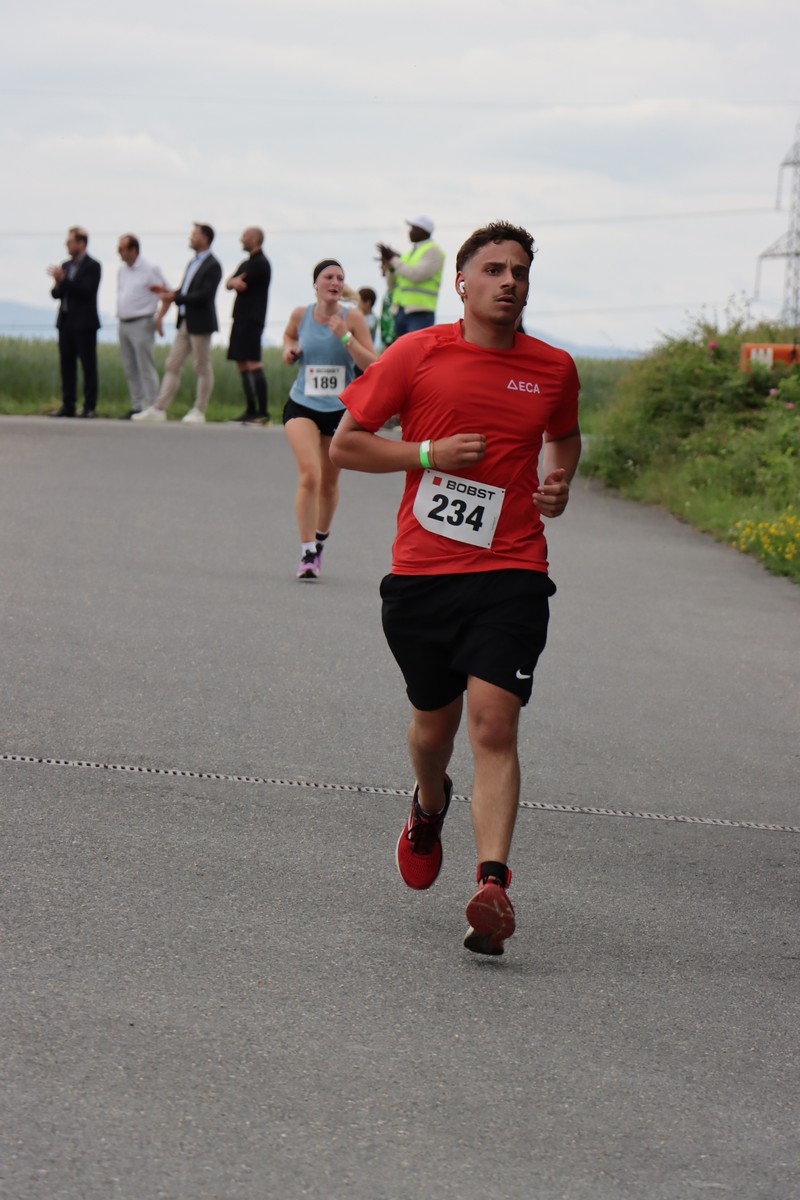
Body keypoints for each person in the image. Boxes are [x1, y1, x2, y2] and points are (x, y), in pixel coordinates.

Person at [330, 221, 581, 956]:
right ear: (463, 282)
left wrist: (559, 479)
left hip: (513, 572)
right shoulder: (417, 353)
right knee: (433, 731)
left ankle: (492, 887)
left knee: (494, 726)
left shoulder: (553, 368)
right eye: (495, 269)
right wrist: (428, 453)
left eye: (521, 272)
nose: (510, 281)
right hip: (422, 578)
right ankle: (429, 802)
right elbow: (346, 444)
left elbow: (565, 435)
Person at [281, 259, 377, 580]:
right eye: (329, 277)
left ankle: (320, 539)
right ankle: (307, 551)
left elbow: (373, 365)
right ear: (316, 283)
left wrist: (346, 337)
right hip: (302, 404)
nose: (335, 282)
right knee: (310, 474)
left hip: (339, 410)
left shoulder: (353, 318)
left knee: (329, 482)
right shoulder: (301, 314)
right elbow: (289, 337)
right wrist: (289, 351)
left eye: (340, 278)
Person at [133, 223, 222, 423]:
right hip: (185, 321)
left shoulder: (213, 265)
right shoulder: (193, 262)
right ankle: (159, 409)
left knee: (202, 366)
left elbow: (205, 295)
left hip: (201, 323)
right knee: (172, 364)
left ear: (204, 239)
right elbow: (185, 290)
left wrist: (176, 297)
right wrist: (169, 293)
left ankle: (199, 410)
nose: (190, 238)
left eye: (194, 235)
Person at [47, 226, 101, 418]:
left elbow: (86, 290)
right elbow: (56, 294)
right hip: (66, 322)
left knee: (88, 366)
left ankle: (89, 407)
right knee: (67, 365)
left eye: (69, 242)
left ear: (81, 243)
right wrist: (57, 281)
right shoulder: (66, 265)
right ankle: (68, 405)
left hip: (85, 324)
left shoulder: (93, 266)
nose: (66, 245)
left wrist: (64, 280)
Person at [116, 234, 168, 418]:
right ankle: (137, 405)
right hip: (124, 322)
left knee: (145, 366)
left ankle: (153, 406)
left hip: (142, 322)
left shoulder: (150, 269)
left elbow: (167, 293)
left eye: (122, 249)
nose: (118, 252)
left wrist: (159, 318)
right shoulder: (122, 270)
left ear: (133, 250)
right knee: (130, 367)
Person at [226, 226, 272, 424]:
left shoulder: (261, 263)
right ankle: (251, 410)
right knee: (242, 363)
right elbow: (229, 283)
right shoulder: (246, 263)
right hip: (240, 318)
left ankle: (262, 412)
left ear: (254, 239)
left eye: (244, 236)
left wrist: (235, 283)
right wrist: (232, 282)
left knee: (253, 362)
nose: (241, 239)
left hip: (253, 319)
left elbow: (242, 283)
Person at [377, 216, 445, 338]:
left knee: (416, 348)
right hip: (401, 310)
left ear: (423, 231)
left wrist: (393, 259)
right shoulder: (408, 254)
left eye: (413, 228)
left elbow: (416, 275)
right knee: (403, 349)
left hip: (421, 311)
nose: (409, 231)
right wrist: (390, 264)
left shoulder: (433, 251)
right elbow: (392, 285)